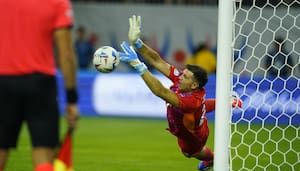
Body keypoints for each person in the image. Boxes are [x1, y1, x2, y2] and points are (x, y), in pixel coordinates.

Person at [119, 15, 242, 171]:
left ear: (194, 85)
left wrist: (138, 66)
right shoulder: (186, 85)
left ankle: (213, 159)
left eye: (185, 76)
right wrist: (138, 43)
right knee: (201, 109)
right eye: (183, 72)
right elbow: (158, 61)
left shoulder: (190, 101)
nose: (180, 76)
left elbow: (160, 91)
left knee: (189, 152)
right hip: (194, 119)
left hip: (194, 137)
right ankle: (226, 104)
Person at [0, 0, 79, 171]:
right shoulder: (57, 2)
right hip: (40, 84)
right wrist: (72, 99)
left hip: (3, 81)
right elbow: (66, 54)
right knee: (43, 155)